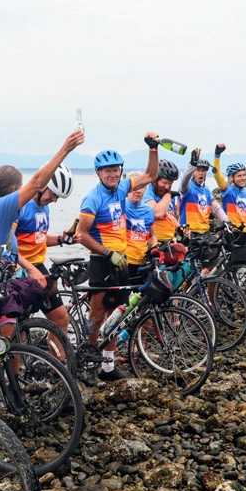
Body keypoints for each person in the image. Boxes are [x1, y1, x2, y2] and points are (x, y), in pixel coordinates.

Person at [75, 134, 159, 382]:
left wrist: (153, 149)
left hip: (121, 260)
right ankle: (89, 364)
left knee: (116, 314)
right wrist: (107, 253)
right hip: (102, 261)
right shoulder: (92, 198)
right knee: (97, 314)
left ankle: (108, 367)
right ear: (98, 173)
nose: (112, 174)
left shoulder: (123, 187)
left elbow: (150, 176)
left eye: (115, 170)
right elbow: (81, 234)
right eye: (107, 171)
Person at [0, 130, 85, 284]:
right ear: (13, 190)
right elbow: (36, 183)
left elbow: (13, 248)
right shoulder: (1, 208)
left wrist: (60, 239)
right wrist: (65, 149)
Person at [14, 163, 77, 337]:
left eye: (58, 198)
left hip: (39, 267)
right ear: (42, 185)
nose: (54, 200)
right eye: (53, 194)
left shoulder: (44, 207)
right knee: (20, 325)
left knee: (61, 318)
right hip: (20, 268)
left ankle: (57, 363)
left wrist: (61, 239)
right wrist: (28, 268)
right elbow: (6, 245)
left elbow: (39, 237)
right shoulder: (21, 205)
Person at [178, 148, 229, 237]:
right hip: (189, 232)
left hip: (205, 233)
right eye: (198, 170)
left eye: (203, 170)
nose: (201, 173)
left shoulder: (206, 190)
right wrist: (192, 165)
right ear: (193, 172)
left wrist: (227, 221)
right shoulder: (187, 187)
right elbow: (183, 182)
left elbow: (216, 209)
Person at [125, 172, 157, 285]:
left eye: (142, 187)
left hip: (143, 262)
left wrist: (155, 251)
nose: (139, 191)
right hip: (125, 262)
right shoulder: (120, 207)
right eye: (136, 187)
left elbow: (152, 236)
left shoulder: (148, 210)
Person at [142, 159, 181, 243]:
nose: (167, 187)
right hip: (153, 243)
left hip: (169, 241)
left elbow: (169, 215)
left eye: (170, 183)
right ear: (155, 179)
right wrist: (168, 195)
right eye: (164, 182)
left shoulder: (167, 194)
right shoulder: (146, 193)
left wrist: (179, 227)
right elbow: (157, 213)